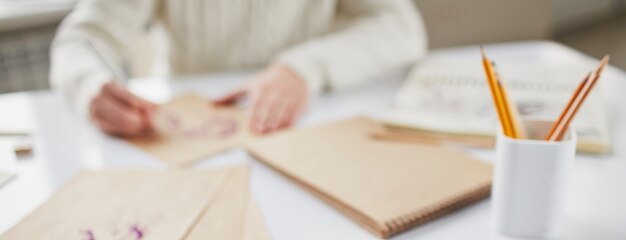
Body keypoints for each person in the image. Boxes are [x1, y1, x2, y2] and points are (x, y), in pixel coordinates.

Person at [50, 0, 427, 137]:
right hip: (188, 139)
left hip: (306, 128)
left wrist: (302, 68)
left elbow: (402, 29)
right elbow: (81, 40)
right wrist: (91, 85)